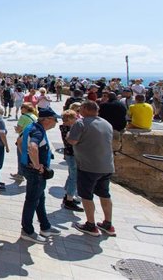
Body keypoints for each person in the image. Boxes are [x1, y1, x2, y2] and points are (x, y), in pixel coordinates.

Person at [68, 101, 116, 237]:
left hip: (88, 166)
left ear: (86, 109)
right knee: (105, 194)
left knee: (86, 196)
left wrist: (68, 135)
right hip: (107, 165)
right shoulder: (107, 124)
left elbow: (72, 141)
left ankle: (90, 224)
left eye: (81, 108)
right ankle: (108, 223)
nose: (79, 111)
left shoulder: (81, 123)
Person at [19, 107, 61, 244]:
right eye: (55, 120)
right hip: (36, 172)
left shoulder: (31, 127)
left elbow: (19, 142)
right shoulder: (37, 131)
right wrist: (37, 165)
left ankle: (45, 226)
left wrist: (25, 159)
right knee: (32, 200)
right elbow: (33, 147)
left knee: (39, 199)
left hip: (30, 168)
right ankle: (27, 230)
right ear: (47, 120)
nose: (56, 123)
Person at [59, 110, 83, 211]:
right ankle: (69, 199)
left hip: (69, 154)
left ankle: (68, 196)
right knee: (74, 177)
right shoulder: (69, 128)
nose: (76, 119)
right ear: (69, 119)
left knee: (71, 175)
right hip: (72, 154)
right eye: (74, 118)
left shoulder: (65, 127)